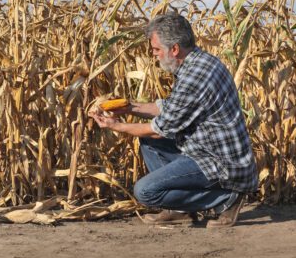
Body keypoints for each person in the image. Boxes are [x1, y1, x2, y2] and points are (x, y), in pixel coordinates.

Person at [90, 12, 258, 228]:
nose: (155, 55)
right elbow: (169, 109)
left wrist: (117, 126)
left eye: (157, 50)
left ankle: (226, 199)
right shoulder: (198, 62)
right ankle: (179, 210)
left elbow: (159, 130)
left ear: (175, 49)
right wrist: (128, 107)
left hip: (221, 163)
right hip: (204, 149)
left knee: (145, 191)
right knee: (150, 144)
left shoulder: (194, 77)